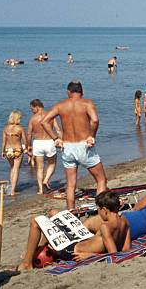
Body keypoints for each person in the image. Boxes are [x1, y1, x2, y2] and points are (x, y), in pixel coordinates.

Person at [17, 191, 131, 270]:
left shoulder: (105, 227)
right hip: (82, 240)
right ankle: (40, 247)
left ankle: (27, 263)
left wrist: (90, 255)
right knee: (54, 213)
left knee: (36, 222)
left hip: (70, 250)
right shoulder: (124, 222)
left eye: (98, 209)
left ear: (104, 210)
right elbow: (126, 249)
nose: (98, 212)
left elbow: (114, 255)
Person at [41, 80, 107, 209]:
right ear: (82, 92)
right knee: (101, 180)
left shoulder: (60, 105)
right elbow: (95, 120)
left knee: (71, 184)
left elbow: (44, 122)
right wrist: (92, 136)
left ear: (68, 92)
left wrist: (55, 138)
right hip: (84, 146)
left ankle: (71, 212)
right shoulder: (87, 103)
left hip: (67, 147)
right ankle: (101, 210)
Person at [26, 99, 61, 194]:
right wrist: (60, 140)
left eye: (32, 109)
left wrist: (28, 146)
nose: (32, 111)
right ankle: (46, 180)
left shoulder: (33, 118)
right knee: (52, 164)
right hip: (49, 141)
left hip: (38, 143)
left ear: (36, 107)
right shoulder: (50, 116)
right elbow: (57, 130)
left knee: (40, 168)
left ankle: (41, 190)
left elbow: (29, 134)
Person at [1, 110, 27, 196]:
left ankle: (11, 187)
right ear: (17, 118)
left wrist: (2, 151)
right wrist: (26, 148)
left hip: (8, 150)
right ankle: (12, 191)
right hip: (17, 150)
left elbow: (3, 142)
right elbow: (25, 140)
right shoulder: (20, 128)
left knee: (12, 168)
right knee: (16, 169)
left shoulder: (6, 128)